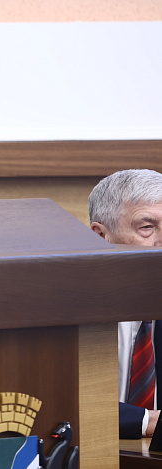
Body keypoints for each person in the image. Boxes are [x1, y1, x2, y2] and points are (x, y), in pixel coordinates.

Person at [89, 168, 162, 439]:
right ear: (101, 236)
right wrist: (144, 421)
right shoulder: (70, 308)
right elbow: (58, 400)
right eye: (147, 228)